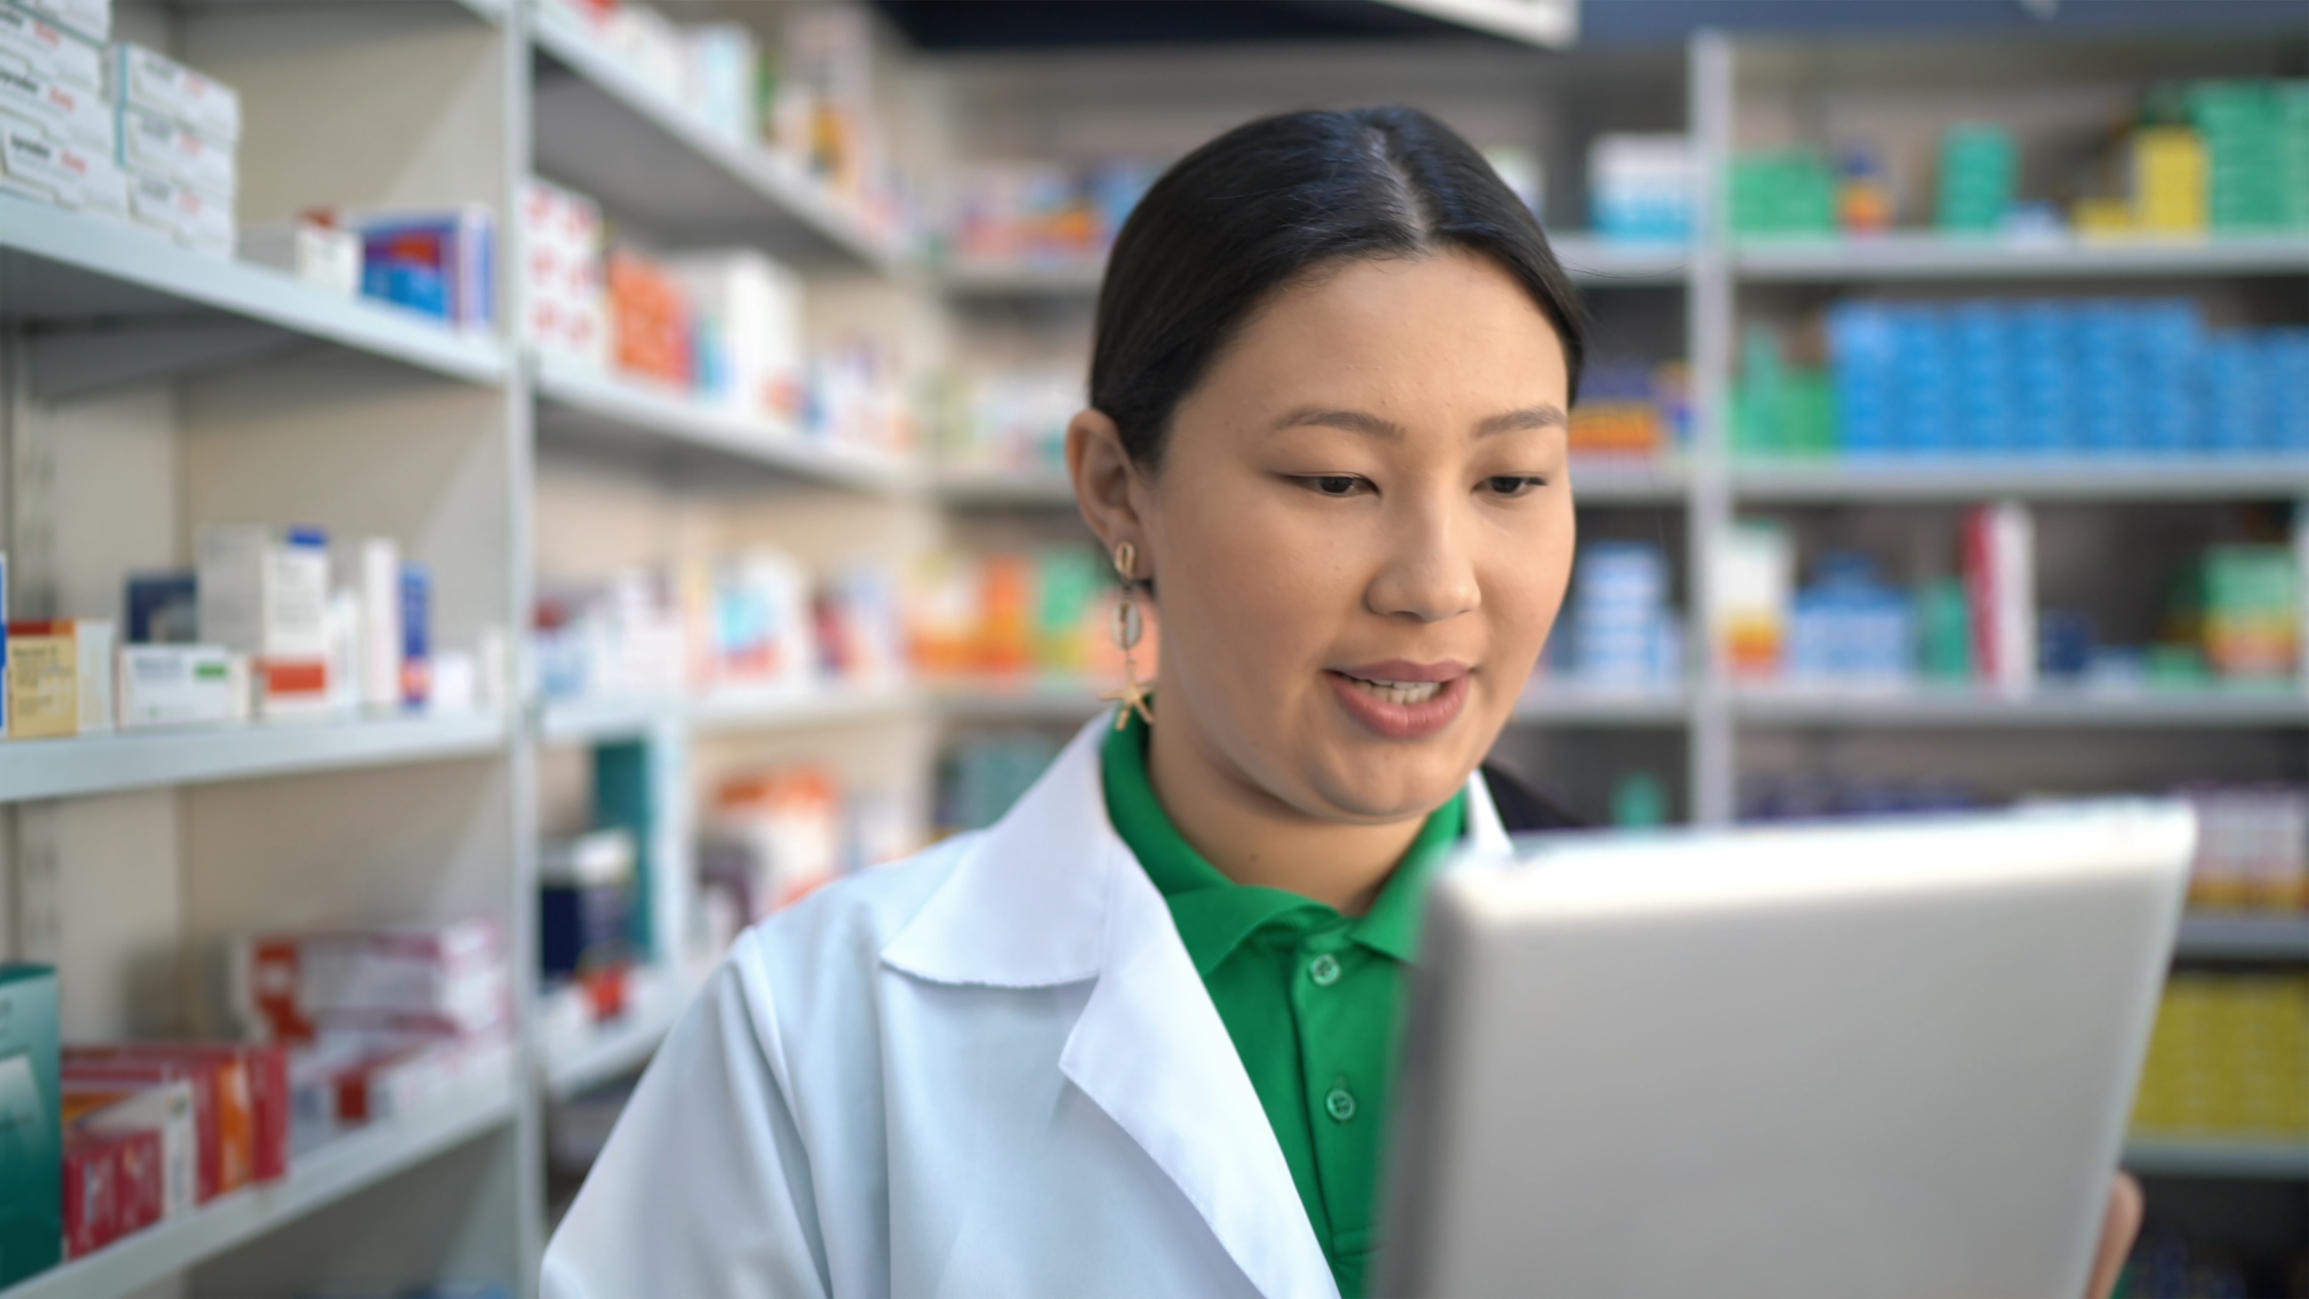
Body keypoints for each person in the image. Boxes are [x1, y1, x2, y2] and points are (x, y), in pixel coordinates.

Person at [540, 106, 2142, 1299]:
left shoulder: (1744, 1000)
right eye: (1334, 478)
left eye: (1514, 475)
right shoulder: (819, 1028)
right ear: (1118, 493)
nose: (1439, 581)